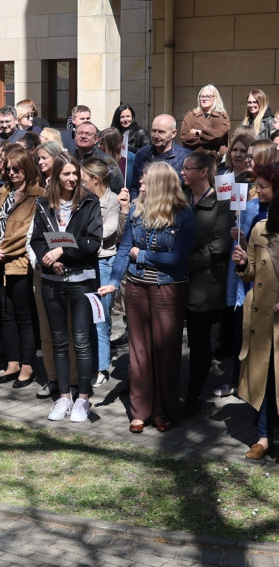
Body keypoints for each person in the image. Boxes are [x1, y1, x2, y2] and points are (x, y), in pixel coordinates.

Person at [101, 162, 194, 434]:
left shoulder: (183, 215)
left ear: (160, 186)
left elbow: (176, 259)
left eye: (145, 182)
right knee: (139, 352)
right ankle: (140, 411)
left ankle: (164, 411)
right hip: (137, 289)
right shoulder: (137, 213)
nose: (139, 185)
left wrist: (141, 256)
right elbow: (124, 249)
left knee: (165, 352)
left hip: (168, 289)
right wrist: (113, 282)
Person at [30, 155, 103, 423]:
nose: (72, 179)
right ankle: (63, 396)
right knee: (59, 341)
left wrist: (63, 250)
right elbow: (38, 240)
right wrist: (48, 261)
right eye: (66, 174)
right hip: (53, 282)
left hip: (82, 281)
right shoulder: (42, 204)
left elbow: (92, 242)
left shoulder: (88, 202)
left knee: (81, 341)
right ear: (56, 176)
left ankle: (83, 398)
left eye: (75, 174)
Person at [180, 150, 234, 418]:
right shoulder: (180, 197)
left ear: (203, 172)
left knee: (199, 344)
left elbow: (220, 245)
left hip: (205, 284)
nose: (183, 172)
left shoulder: (222, 202)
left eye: (187, 168)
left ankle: (194, 394)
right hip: (176, 282)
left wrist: (183, 261)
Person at [0, 145, 44, 387]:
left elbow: (28, 232)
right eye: (8, 169)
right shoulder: (3, 192)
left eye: (17, 169)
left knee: (24, 316)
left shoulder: (38, 195)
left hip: (21, 264)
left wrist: (4, 250)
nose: (12, 173)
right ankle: (12, 362)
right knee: (6, 315)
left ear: (28, 169)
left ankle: (28, 364)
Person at [233, 175, 279, 459]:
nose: (257, 190)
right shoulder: (259, 228)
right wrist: (241, 264)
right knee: (265, 376)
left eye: (263, 186)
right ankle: (263, 437)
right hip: (263, 315)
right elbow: (251, 272)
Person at [80, 157, 121, 386]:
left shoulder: (112, 200)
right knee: (84, 318)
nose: (80, 183)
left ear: (95, 179)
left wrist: (82, 235)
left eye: (84, 179)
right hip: (85, 262)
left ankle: (101, 367)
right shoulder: (83, 199)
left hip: (103, 263)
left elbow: (109, 230)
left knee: (100, 318)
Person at [129, 114, 191, 191]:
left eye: (161, 132)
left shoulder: (185, 157)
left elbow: (189, 190)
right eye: (154, 131)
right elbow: (134, 187)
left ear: (173, 133)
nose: (156, 136)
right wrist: (136, 202)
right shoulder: (142, 154)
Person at [180, 84, 230, 154]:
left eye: (208, 96)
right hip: (194, 158)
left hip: (216, 160)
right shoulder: (190, 116)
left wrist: (198, 132)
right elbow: (185, 137)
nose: (204, 99)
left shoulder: (222, 117)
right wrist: (210, 138)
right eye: (202, 96)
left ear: (215, 98)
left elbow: (217, 135)